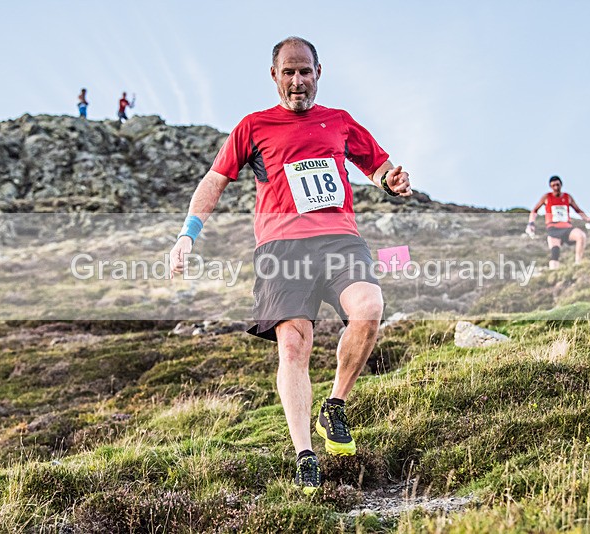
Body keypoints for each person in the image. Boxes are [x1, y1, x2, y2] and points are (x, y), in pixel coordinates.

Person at [169, 37, 412, 493]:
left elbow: (377, 165)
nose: (297, 81)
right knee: (294, 347)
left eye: (305, 72)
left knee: (368, 306)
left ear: (319, 72)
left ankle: (334, 406)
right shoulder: (254, 126)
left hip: (340, 238)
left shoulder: (339, 122)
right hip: (282, 249)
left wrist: (390, 179)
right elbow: (215, 179)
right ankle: (304, 454)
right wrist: (187, 235)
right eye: (288, 73)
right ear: (274, 76)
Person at [526, 175, 590, 269]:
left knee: (581, 236)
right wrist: (531, 223)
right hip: (553, 229)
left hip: (567, 228)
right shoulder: (547, 197)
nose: (556, 187)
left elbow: (578, 210)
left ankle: (578, 264)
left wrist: (587, 219)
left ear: (561, 185)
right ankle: (552, 273)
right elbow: (534, 210)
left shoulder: (568, 197)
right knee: (555, 252)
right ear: (550, 187)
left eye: (557, 185)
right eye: (553, 185)